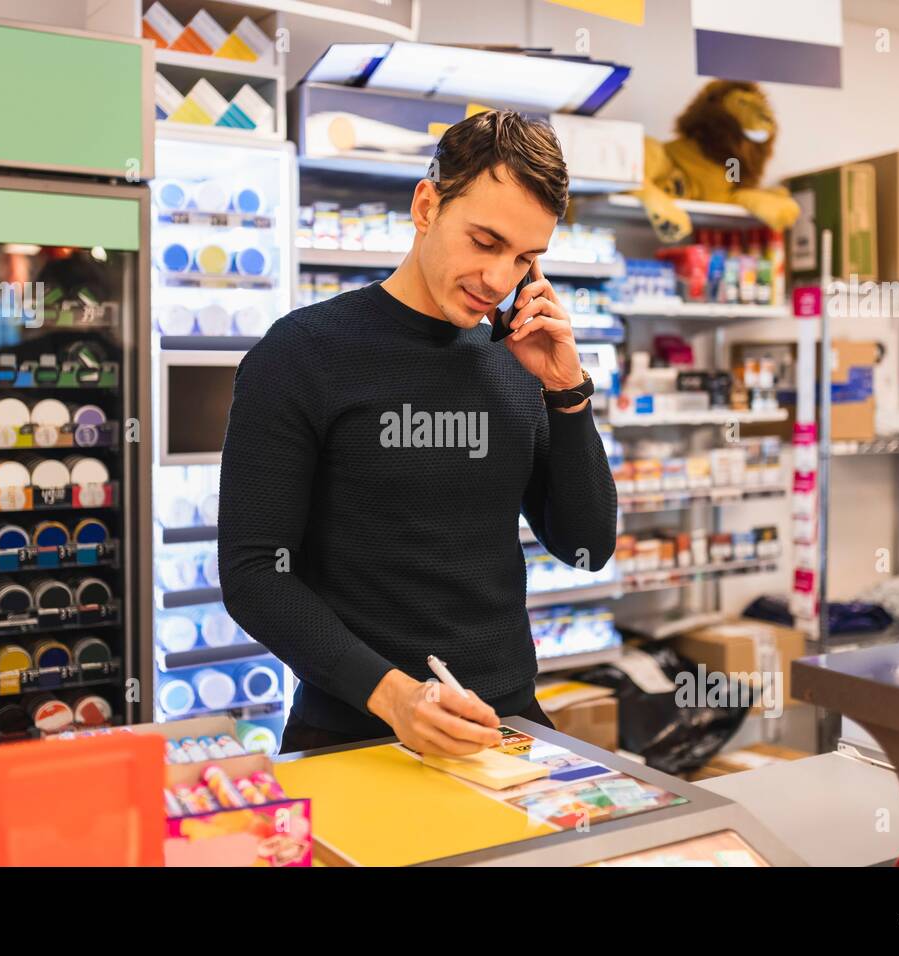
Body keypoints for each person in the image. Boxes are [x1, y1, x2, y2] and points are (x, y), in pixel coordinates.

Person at [218, 110, 618, 757]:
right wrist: (393, 695)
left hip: (508, 725)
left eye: (524, 259)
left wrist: (568, 393)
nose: (498, 279)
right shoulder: (302, 353)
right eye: (485, 242)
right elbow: (254, 573)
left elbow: (588, 546)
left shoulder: (517, 359)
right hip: (352, 730)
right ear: (427, 205)